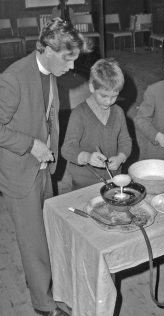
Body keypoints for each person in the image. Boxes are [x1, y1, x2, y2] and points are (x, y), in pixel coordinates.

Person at [0, 18, 88, 315]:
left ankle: (43, 285)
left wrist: (46, 147)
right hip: (19, 172)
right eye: (68, 58)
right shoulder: (14, 78)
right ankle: (44, 305)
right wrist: (31, 144)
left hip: (41, 165)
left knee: (44, 233)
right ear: (49, 49)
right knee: (33, 240)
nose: (72, 67)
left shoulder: (49, 70)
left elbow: (46, 116)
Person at [61, 58, 132, 190]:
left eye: (114, 96)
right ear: (92, 87)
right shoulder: (79, 114)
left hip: (113, 179)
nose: (109, 101)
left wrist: (121, 157)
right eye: (104, 96)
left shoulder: (118, 112)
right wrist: (87, 157)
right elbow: (67, 149)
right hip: (84, 183)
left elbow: (125, 140)